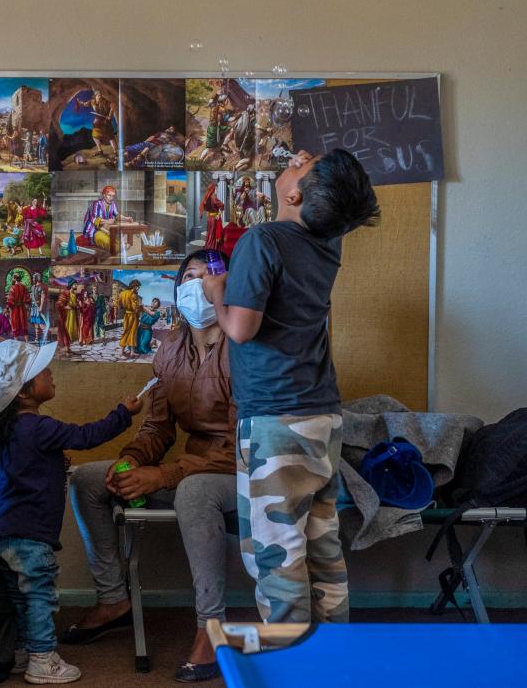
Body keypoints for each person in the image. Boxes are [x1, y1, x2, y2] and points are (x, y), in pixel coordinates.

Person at [205, 149, 381, 624]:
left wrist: (217, 294)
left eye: (303, 163)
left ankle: (291, 668)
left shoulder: (263, 240)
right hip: (322, 415)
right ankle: (331, 661)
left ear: (294, 192)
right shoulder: (329, 244)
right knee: (323, 548)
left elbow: (240, 329)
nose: (298, 156)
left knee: (277, 554)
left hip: (274, 419)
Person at [65, 250, 237, 683]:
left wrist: (164, 475)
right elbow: (158, 428)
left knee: (195, 490)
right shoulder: (169, 350)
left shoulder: (247, 348)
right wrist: (132, 459)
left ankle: (211, 627)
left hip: (242, 473)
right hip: (193, 469)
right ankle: (113, 599)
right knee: (88, 479)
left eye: (209, 275)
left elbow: (243, 445)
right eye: (190, 277)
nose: (198, 285)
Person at [0, 340, 143, 684]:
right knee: (40, 597)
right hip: (31, 535)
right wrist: (123, 413)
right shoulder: (38, 427)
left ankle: (22, 653)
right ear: (23, 393)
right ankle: (43, 660)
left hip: (2, 531)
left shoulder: (8, 432)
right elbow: (87, 436)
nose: (50, 372)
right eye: (41, 370)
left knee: (20, 600)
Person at [118, 279, 141, 357]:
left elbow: (119, 304)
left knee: (125, 332)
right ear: (134, 286)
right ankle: (131, 352)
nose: (138, 289)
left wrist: (124, 307)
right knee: (132, 333)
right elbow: (135, 308)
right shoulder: (133, 295)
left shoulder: (122, 293)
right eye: (137, 287)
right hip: (133, 316)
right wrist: (140, 307)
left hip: (126, 315)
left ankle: (122, 351)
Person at [6, 273, 30, 340]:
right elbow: (27, 299)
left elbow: (10, 301)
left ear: (14, 279)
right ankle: (27, 341)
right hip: (22, 309)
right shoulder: (24, 287)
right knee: (23, 323)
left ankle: (16, 342)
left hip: (15, 309)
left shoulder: (12, 288)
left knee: (15, 323)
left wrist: (8, 310)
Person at [29, 272, 47, 344]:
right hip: (33, 307)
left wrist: (41, 307)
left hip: (38, 307)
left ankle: (45, 338)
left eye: (34, 278)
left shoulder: (40, 287)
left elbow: (43, 297)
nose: (33, 279)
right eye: (33, 278)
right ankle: (36, 338)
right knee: (36, 323)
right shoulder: (33, 287)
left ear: (37, 278)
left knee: (41, 323)